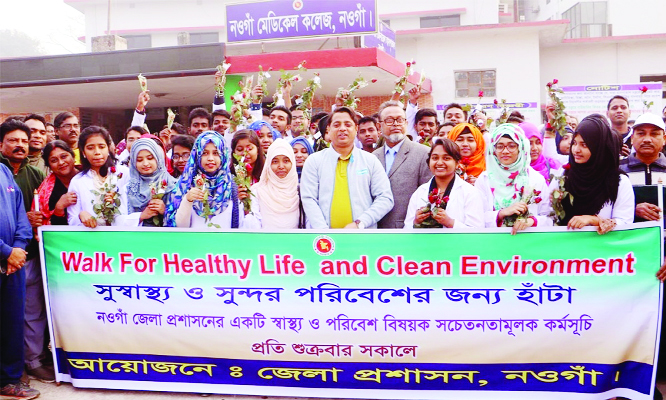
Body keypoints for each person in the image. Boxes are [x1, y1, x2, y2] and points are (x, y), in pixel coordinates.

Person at [301, 107, 394, 229]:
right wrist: (323, 231)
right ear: (328, 129)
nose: (342, 129)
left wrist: (360, 223)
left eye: (348, 124)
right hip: (324, 241)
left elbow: (385, 198)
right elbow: (309, 199)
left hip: (362, 237)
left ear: (356, 128)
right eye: (336, 124)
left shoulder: (370, 160)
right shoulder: (314, 161)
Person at [549, 114, 634, 231]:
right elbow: (549, 215)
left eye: (584, 145)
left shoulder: (618, 182)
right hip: (565, 245)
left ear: (598, 147)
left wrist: (594, 220)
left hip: (602, 247)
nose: (576, 150)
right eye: (574, 143)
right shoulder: (563, 175)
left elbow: (625, 222)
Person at [0, 162, 39, 400]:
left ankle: (9, 380)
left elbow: (20, 213)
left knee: (11, 322)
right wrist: (6, 251)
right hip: (7, 256)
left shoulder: (3, 171)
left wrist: (19, 248)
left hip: (13, 264)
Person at [475, 123, 552, 234]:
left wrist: (531, 221)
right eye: (500, 146)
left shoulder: (535, 179)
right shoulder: (484, 179)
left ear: (521, 147)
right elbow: (477, 218)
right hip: (494, 243)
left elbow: (549, 218)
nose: (505, 151)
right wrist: (501, 213)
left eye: (511, 146)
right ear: (493, 150)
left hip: (528, 242)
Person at [165, 131, 248, 229]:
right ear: (197, 155)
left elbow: (240, 226)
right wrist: (187, 200)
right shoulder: (185, 185)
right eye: (204, 153)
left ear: (223, 155)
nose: (210, 158)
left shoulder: (232, 187)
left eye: (216, 153)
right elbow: (179, 227)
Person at [373, 101, 432, 229]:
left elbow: (428, 196)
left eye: (399, 120)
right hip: (375, 229)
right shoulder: (372, 157)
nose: (395, 124)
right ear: (379, 126)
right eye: (389, 120)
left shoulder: (424, 153)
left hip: (408, 229)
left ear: (406, 123)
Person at [404, 139, 484, 229]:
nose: (439, 163)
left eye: (446, 158)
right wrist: (416, 222)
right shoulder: (420, 192)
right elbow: (407, 229)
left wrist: (450, 223)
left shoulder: (470, 193)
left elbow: (477, 232)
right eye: (435, 158)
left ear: (457, 163)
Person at [67, 126, 130, 227]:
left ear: (108, 148)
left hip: (122, 236)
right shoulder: (78, 181)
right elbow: (71, 220)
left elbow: (133, 209)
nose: (97, 152)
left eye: (101, 146)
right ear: (83, 152)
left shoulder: (124, 174)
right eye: (90, 148)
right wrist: (81, 216)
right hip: (92, 238)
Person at [619, 113, 666, 222]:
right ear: (632, 139)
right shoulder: (617, 169)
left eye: (654, 134)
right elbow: (607, 206)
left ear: (664, 139)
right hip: (630, 236)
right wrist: (632, 209)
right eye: (641, 134)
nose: (647, 140)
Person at [248, 139, 303, 229]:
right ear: (268, 164)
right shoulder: (257, 191)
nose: (281, 166)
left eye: (286, 161)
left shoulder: (299, 192)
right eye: (275, 161)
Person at [125, 138, 176, 227]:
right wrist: (141, 216)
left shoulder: (173, 185)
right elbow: (118, 220)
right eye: (139, 160)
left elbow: (183, 221)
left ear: (158, 158)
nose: (145, 163)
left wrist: (165, 211)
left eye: (150, 158)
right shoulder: (128, 189)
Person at [35, 140, 78, 226]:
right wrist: (59, 208)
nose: (61, 163)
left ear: (73, 157)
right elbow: (44, 225)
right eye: (54, 160)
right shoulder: (47, 193)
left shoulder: (89, 177)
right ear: (49, 166)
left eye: (64, 156)